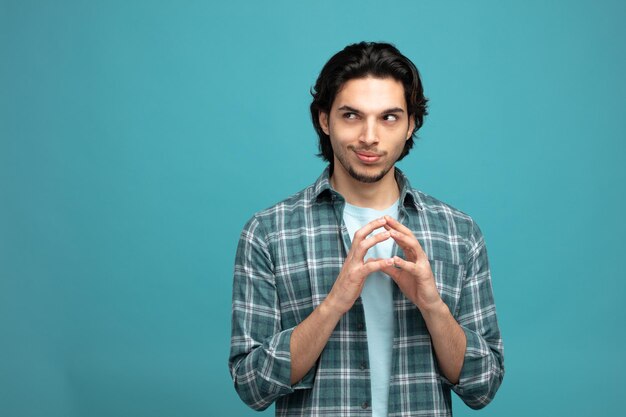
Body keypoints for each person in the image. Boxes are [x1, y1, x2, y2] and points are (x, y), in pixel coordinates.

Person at [228, 42, 504, 416]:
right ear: (325, 120)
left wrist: (431, 306)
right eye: (352, 116)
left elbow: (483, 387)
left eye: (389, 117)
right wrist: (334, 303)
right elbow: (251, 387)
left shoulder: (459, 233)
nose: (370, 136)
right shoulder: (268, 233)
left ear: (411, 125)